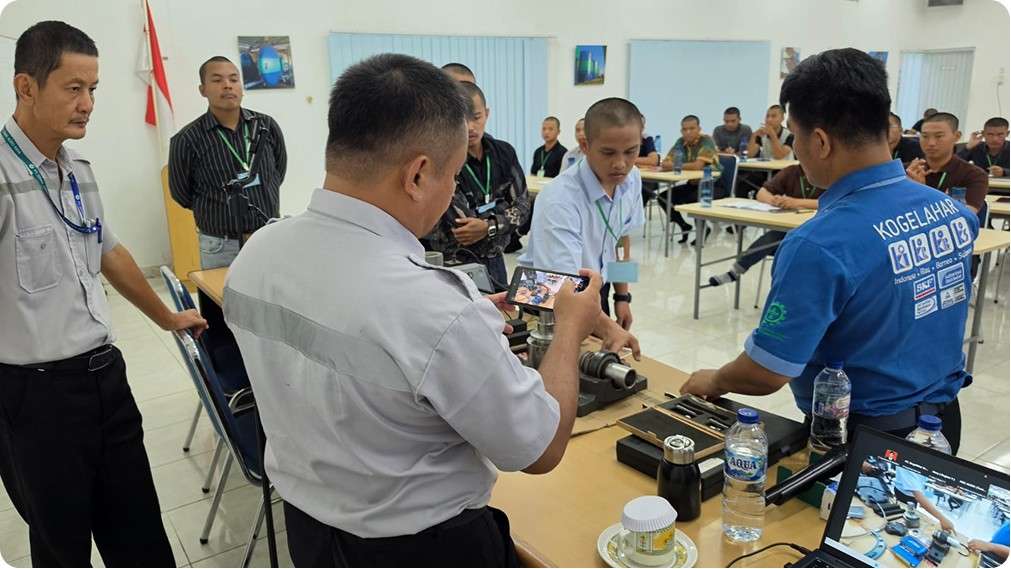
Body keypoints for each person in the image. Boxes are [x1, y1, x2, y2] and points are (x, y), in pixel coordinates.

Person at [222, 53, 639, 567]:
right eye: (454, 177)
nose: (453, 194)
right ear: (418, 174)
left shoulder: (259, 252)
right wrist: (571, 329)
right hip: (423, 550)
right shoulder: (431, 306)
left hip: (311, 530)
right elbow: (540, 447)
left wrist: (460, 327)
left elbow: (344, 352)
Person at [680, 48, 977, 452]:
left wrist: (713, 380)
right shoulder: (951, 211)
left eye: (795, 136)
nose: (795, 149)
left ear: (819, 141)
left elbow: (767, 371)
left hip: (866, 439)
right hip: (943, 424)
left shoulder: (820, 243)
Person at [0, 21, 207, 567]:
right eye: (74, 88)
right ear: (26, 87)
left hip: (105, 379)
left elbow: (108, 251)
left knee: (140, 535)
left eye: (94, 89)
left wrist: (165, 316)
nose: (88, 103)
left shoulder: (77, 172)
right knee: (61, 545)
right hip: (36, 397)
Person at [519, 98, 647, 328]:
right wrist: (608, 329)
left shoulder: (632, 178)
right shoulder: (559, 199)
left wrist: (622, 297)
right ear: (585, 146)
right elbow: (565, 288)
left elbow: (621, 239)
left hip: (592, 288)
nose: (620, 163)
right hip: (546, 295)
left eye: (630, 151)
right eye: (608, 153)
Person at [168, 56, 287, 270]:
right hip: (220, 245)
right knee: (222, 302)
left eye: (234, 79)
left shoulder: (266, 126)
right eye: (217, 80)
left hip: (267, 237)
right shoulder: (187, 139)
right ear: (202, 89)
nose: (227, 85)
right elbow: (181, 193)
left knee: (271, 301)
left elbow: (278, 172)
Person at [424, 81, 528, 290]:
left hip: (495, 259)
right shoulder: (444, 159)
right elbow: (463, 228)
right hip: (455, 263)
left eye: (476, 117)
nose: (471, 126)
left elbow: (523, 208)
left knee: (502, 318)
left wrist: (488, 226)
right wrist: (502, 211)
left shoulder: (504, 153)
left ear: (486, 114)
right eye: (463, 119)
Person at [708, 164, 824, 287]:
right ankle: (735, 271)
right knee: (775, 236)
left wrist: (795, 202)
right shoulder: (792, 171)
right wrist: (775, 201)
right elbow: (762, 193)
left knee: (786, 242)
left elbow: (835, 200)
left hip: (820, 228)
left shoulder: (831, 172)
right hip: (791, 226)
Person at [905, 112, 988, 213]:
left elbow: (964, 216)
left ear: (957, 136)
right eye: (925, 136)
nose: (931, 143)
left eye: (939, 136)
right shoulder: (907, 171)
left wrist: (922, 191)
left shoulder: (973, 174)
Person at [659, 115, 721, 244]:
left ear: (699, 129)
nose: (688, 132)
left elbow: (698, 166)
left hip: (713, 184)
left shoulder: (706, 141)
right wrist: (674, 165)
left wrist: (675, 165)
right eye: (684, 129)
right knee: (663, 198)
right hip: (692, 183)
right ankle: (684, 225)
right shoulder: (680, 142)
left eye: (692, 128)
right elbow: (665, 163)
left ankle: (703, 230)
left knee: (696, 199)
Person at [892, 465, 956, 533]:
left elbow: (920, 484)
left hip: (912, 496)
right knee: (903, 520)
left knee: (910, 518)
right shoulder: (909, 464)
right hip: (904, 495)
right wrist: (942, 519)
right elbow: (918, 496)